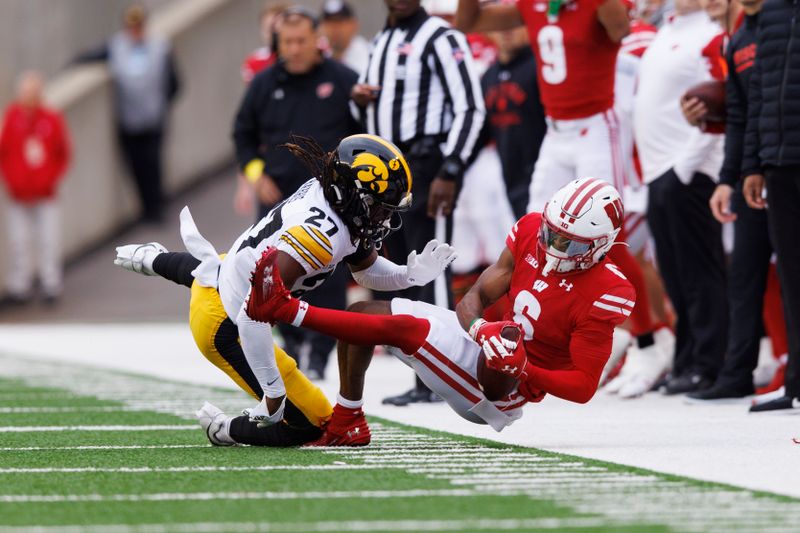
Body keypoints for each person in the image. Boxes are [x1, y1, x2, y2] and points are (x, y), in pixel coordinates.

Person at [247, 178, 635, 446]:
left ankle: (286, 309)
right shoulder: (533, 229)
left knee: (401, 329)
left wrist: (522, 368)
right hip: (489, 344)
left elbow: (584, 387)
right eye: (552, 233)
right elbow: (474, 296)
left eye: (568, 243)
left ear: (601, 245)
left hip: (502, 392)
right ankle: (348, 422)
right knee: (366, 313)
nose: (552, 245)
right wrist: (481, 329)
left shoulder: (607, 291)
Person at [115, 133, 456, 429]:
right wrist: (273, 393)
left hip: (232, 273)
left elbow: (365, 272)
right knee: (309, 424)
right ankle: (226, 429)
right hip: (227, 320)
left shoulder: (337, 205)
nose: (384, 218)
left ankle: (154, 258)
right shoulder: (318, 238)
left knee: (217, 271)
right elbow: (253, 314)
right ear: (354, 197)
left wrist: (408, 275)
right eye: (381, 208)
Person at [456, 0, 668, 397]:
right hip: (556, 133)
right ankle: (553, 337)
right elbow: (468, 22)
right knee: (539, 230)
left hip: (596, 125)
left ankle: (649, 341)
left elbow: (621, 29)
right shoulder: (533, 7)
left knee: (604, 238)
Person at [351, 0, 485, 406]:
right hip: (388, 171)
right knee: (407, 270)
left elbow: (470, 107)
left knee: (433, 267)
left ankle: (448, 371)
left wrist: (452, 168)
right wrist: (357, 101)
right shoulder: (382, 41)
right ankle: (425, 371)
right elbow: (370, 112)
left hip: (427, 165)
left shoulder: (441, 38)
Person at [232, 7, 363, 379]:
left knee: (328, 272)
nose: (294, 47)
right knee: (270, 270)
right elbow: (242, 134)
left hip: (328, 201)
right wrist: (256, 174)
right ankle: (290, 343)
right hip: (277, 199)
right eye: (286, 41)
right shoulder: (263, 83)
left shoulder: (341, 80)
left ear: (315, 38)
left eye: (301, 40)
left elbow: (363, 135)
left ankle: (321, 352)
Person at [634, 0, 728, 394]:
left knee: (699, 271)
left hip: (689, 169)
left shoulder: (712, 35)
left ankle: (710, 363)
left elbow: (722, 100)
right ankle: (687, 357)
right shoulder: (666, 32)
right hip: (659, 171)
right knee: (674, 272)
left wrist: (685, 167)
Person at [741, 0, 800, 413]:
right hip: (779, 163)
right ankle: (795, 382)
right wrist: (752, 165)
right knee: (793, 279)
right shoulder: (773, 11)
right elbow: (759, 89)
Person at [75, 4, 180, 224]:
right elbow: (93, 55)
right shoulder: (117, 47)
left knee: (153, 164)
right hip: (128, 120)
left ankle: (157, 208)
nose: (135, 31)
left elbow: (174, 82)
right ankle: (145, 210)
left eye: (139, 26)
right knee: (135, 166)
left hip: (153, 118)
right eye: (131, 27)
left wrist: (161, 104)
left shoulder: (160, 47)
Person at [0, 71, 71, 305]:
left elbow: (63, 153)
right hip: (19, 194)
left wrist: (49, 178)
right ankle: (19, 285)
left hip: (45, 193)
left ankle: (51, 284)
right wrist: (12, 181)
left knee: (48, 239)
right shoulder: (13, 118)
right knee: (18, 241)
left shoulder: (51, 119)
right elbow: (5, 152)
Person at [481, 26, 546, 219]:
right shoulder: (489, 75)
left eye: (514, 24)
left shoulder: (539, 67)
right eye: (500, 24)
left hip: (541, 172)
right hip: (510, 173)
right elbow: (482, 132)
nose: (505, 30)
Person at [319, 0, 370, 74]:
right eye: (329, 22)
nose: (334, 28)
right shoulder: (317, 53)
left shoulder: (368, 54)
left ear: (354, 24)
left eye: (339, 22)